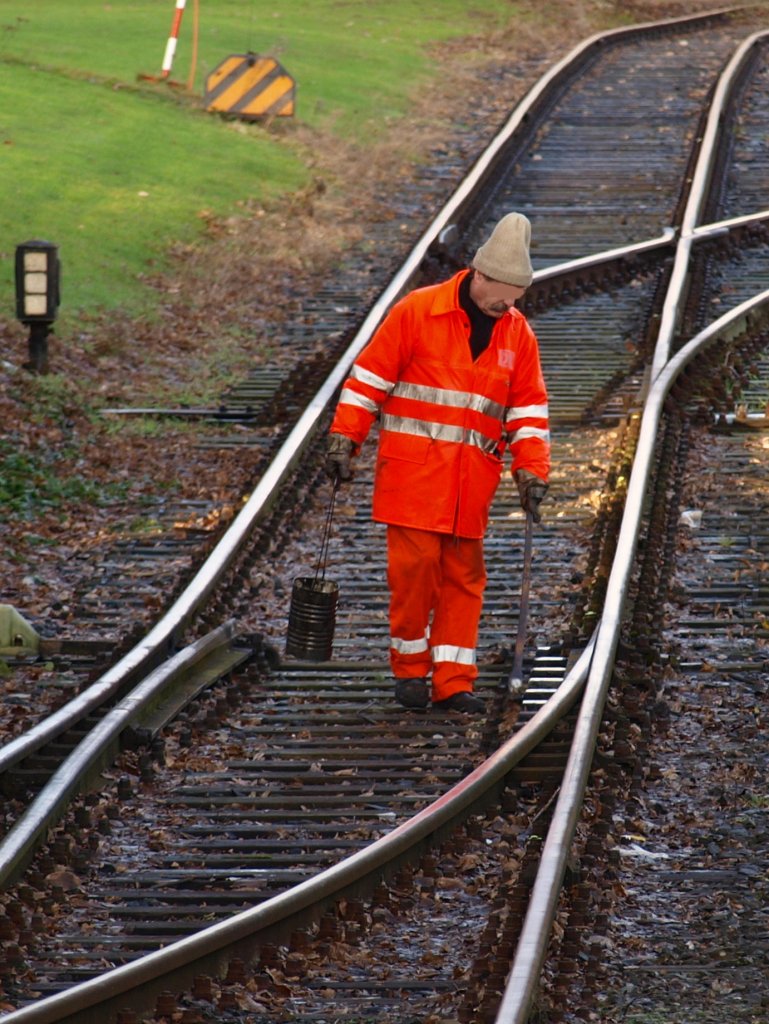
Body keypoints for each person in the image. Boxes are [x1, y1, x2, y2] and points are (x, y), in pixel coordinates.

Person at [325, 212, 550, 714]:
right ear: (479, 274)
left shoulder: (517, 334)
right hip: (413, 477)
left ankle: (453, 681)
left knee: (464, 580)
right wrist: (345, 439)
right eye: (503, 292)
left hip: (471, 484)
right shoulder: (417, 312)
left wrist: (531, 469)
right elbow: (368, 381)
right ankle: (409, 670)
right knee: (415, 575)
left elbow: (529, 411)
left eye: (518, 296)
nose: (507, 305)